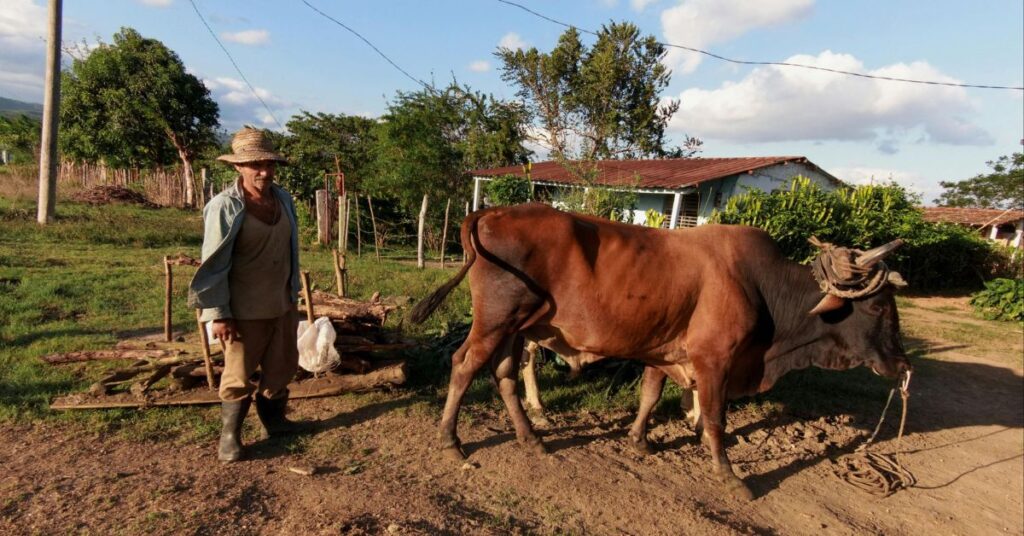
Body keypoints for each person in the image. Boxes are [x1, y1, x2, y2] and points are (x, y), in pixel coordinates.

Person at [188, 126, 309, 462]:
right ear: (237, 167)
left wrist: (292, 297)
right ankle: (230, 437)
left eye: (269, 165)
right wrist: (217, 313)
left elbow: (289, 250)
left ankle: (277, 423)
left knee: (282, 368)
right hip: (242, 310)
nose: (264, 172)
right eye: (255, 165)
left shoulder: (282, 199)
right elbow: (212, 264)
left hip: (281, 303)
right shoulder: (225, 206)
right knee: (238, 375)